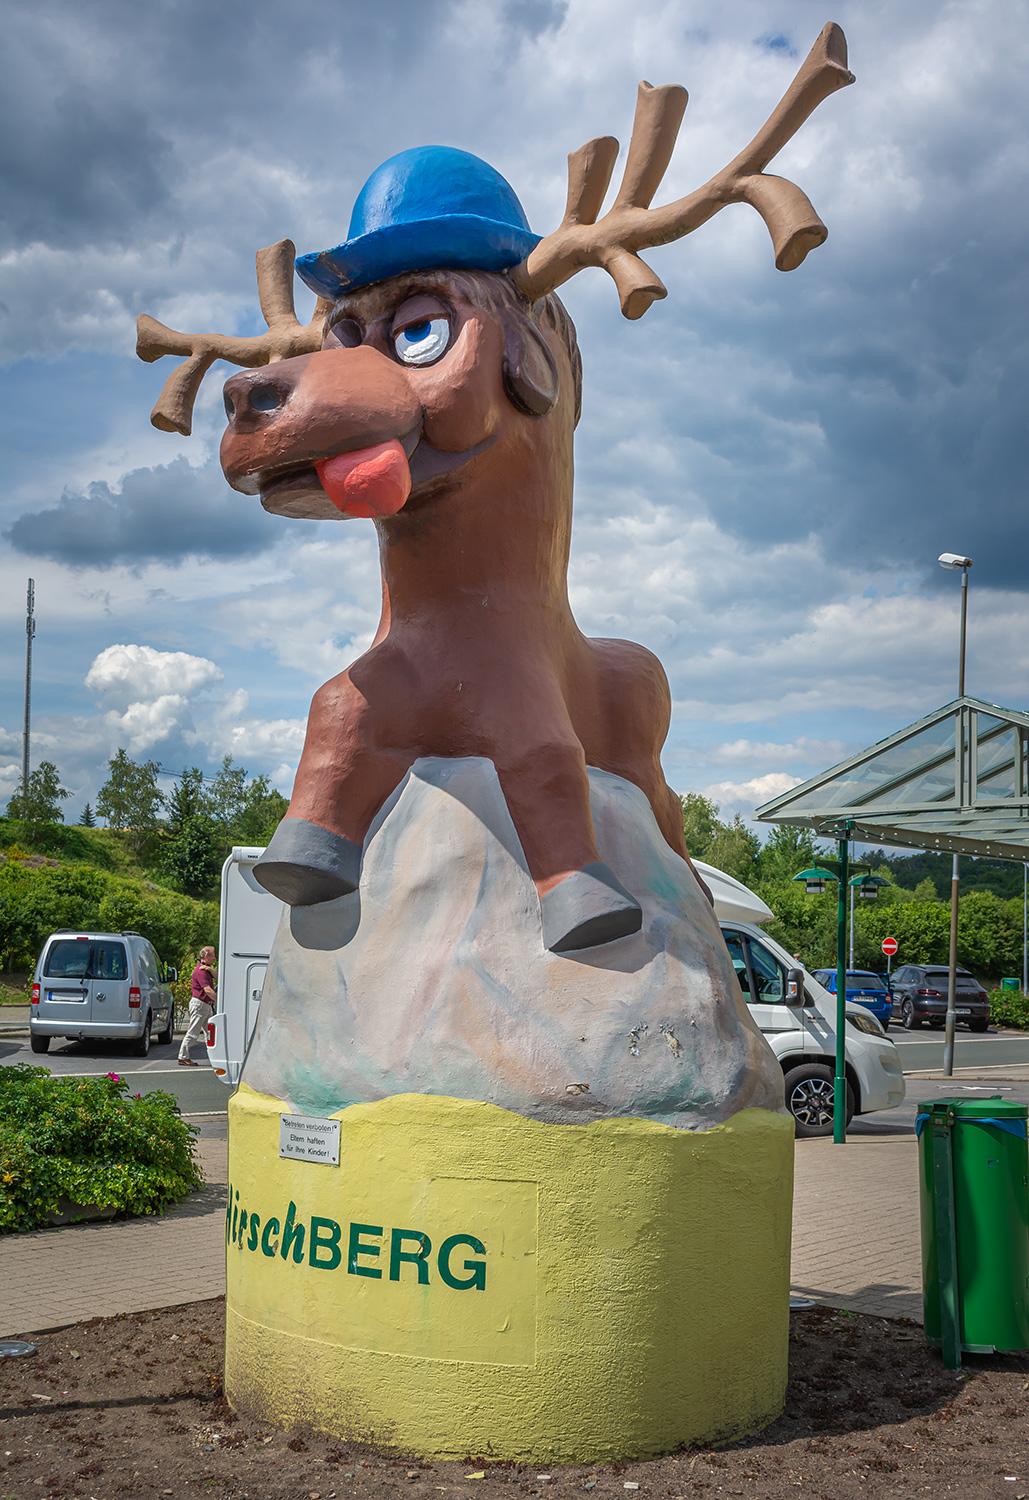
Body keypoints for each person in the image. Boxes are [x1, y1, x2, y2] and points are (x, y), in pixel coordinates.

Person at [178, 945, 217, 1067]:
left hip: (205, 1005)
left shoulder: (206, 970)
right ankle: (183, 1057)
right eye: (213, 955)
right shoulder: (201, 971)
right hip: (200, 1004)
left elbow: (219, 977)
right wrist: (220, 1000)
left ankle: (214, 1056)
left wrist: (211, 970)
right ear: (206, 956)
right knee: (193, 1032)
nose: (215, 958)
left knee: (210, 1034)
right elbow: (207, 990)